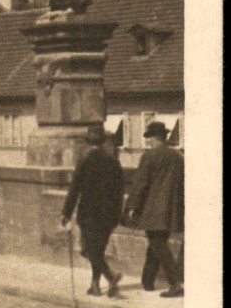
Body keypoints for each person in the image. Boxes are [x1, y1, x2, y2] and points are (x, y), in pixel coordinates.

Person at [61, 127, 125, 297]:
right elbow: (120, 190)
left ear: (87, 142)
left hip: (89, 213)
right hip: (109, 214)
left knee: (89, 250)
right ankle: (96, 283)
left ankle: (108, 277)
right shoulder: (113, 161)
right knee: (97, 250)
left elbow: (74, 189)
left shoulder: (85, 161)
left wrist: (66, 213)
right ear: (103, 141)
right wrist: (117, 214)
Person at [124, 120, 184, 297]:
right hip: (171, 209)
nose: (148, 141)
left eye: (149, 137)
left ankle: (175, 283)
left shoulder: (149, 156)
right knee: (157, 242)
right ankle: (148, 281)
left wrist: (132, 207)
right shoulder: (177, 157)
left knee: (158, 244)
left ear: (154, 137)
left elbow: (140, 184)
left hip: (153, 209)